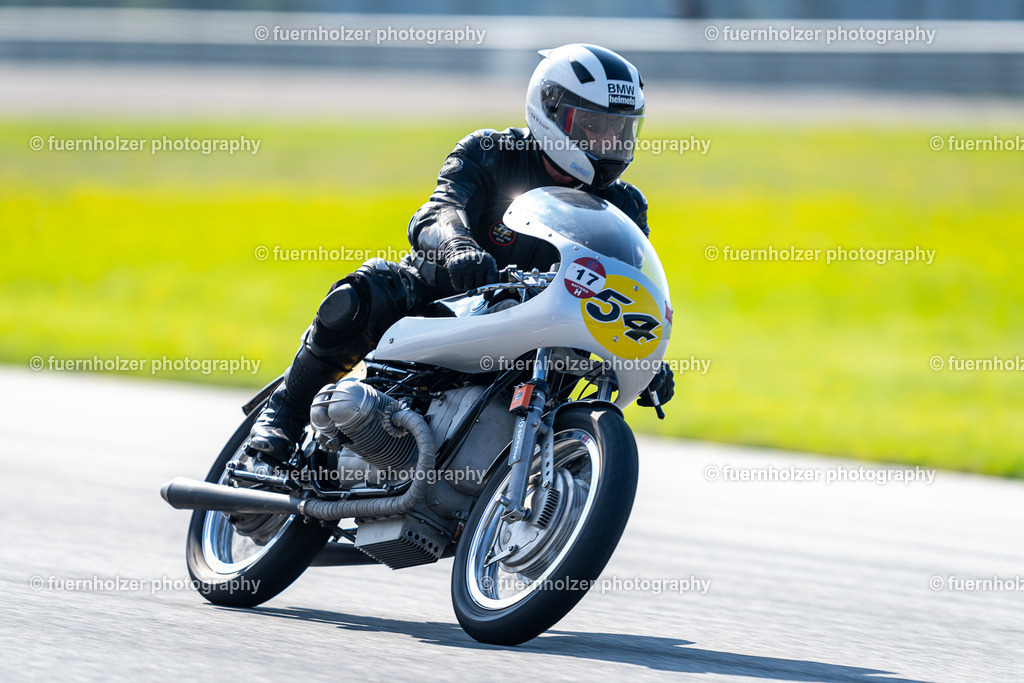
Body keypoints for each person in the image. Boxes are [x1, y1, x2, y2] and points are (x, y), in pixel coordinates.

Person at [247, 43, 675, 462]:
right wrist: (457, 245)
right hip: (441, 298)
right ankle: (284, 411)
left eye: (618, 128)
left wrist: (646, 357)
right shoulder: (490, 152)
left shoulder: (626, 206)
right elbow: (438, 210)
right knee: (362, 295)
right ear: (552, 112)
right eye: (591, 124)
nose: (607, 139)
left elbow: (629, 290)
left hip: (539, 330)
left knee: (578, 398)